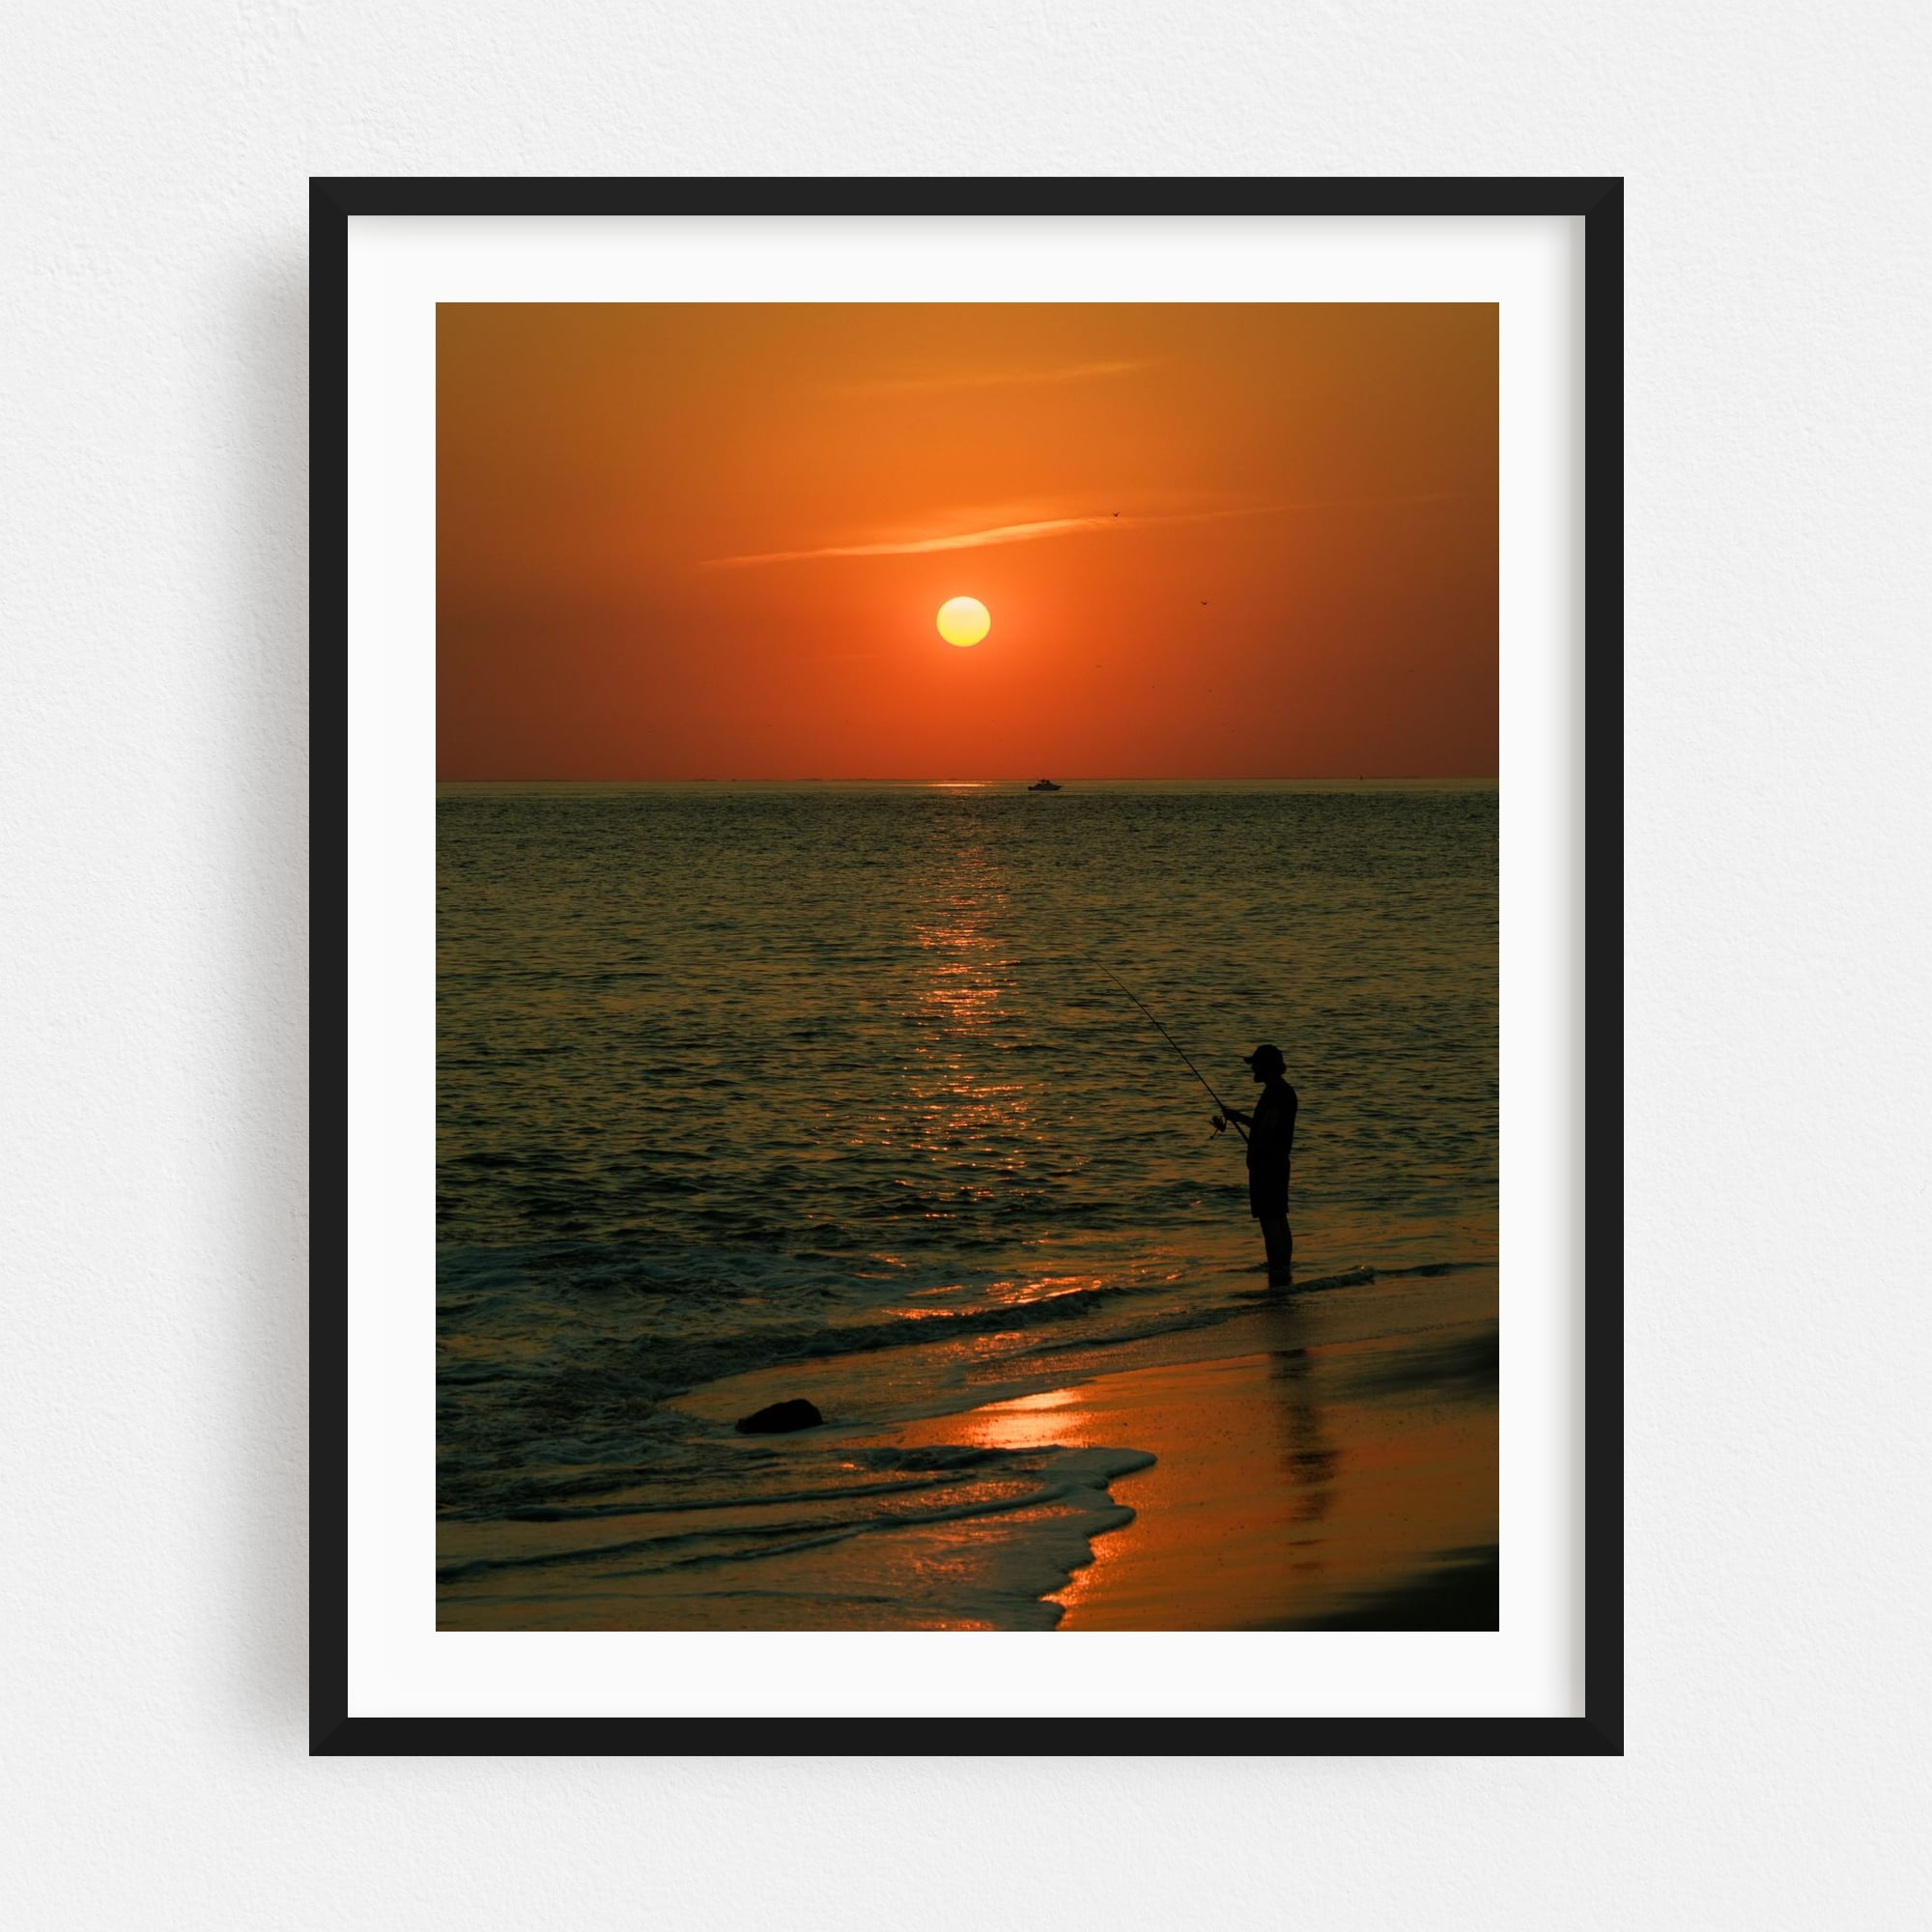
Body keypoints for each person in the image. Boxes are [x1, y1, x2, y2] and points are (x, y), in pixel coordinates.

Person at [1219, 1043, 1297, 1283]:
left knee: (1270, 1220)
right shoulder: (1281, 1091)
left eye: (1256, 1064)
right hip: (1277, 1162)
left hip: (1268, 1165)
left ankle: (1277, 1271)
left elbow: (1268, 1128)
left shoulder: (1275, 1093)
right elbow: (1266, 1126)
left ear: (1266, 1067)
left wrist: (1257, 1150)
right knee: (1279, 1217)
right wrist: (1241, 1119)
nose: (1252, 1068)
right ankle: (1282, 1268)